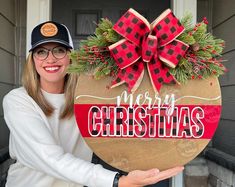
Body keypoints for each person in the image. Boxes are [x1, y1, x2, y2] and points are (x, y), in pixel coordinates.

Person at [3, 21, 184, 187]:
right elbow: (49, 157)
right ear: (32, 60)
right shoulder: (18, 100)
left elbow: (128, 114)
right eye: (41, 52)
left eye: (59, 50)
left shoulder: (87, 98)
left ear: (70, 56)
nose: (50, 59)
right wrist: (117, 182)